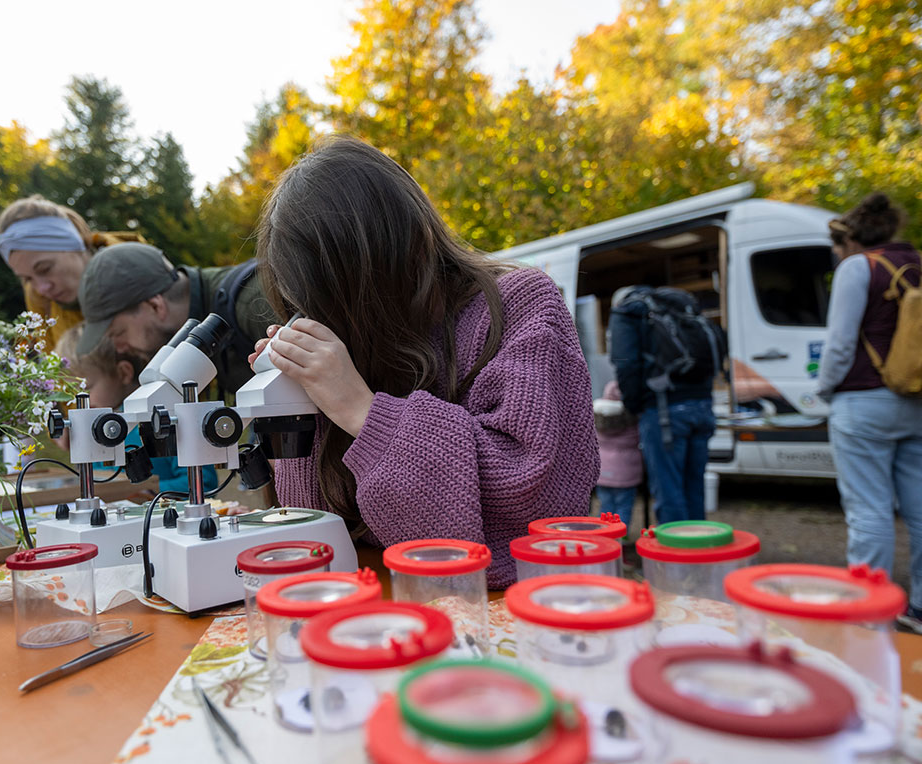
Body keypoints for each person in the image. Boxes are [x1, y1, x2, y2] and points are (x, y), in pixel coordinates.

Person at [248, 137, 598, 590]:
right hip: (385, 607)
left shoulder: (519, 306)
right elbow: (316, 539)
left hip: (516, 613)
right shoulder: (358, 345)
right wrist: (298, 409)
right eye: (301, 306)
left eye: (323, 303)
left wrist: (362, 410)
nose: (316, 320)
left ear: (374, 268)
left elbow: (532, 500)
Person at [816, 192, 922, 631]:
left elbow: (840, 344)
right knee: (919, 510)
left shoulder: (859, 268)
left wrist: (823, 390)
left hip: (862, 402)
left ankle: (869, 612)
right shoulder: (916, 263)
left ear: (852, 240)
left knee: (870, 510)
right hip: (915, 399)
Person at [75, 243, 278, 395]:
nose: (119, 348)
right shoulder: (210, 314)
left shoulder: (255, 303)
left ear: (156, 306)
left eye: (119, 333)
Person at [53, 324, 217, 495]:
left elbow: (205, 483)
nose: (79, 401)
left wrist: (144, 492)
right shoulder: (92, 428)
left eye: (87, 388)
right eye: (72, 394)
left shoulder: (165, 415)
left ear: (124, 373)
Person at [608, 286, 717, 524]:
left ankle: (676, 556)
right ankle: (700, 550)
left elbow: (625, 365)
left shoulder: (627, 313)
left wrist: (635, 405)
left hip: (664, 410)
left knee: (668, 488)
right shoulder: (677, 308)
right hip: (703, 405)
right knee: (693, 484)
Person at [0, 195, 142, 351]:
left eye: (45, 269)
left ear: (75, 245)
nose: (42, 288)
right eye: (27, 279)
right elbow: (54, 369)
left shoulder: (140, 268)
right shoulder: (40, 300)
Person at [594, 380, 642, 533]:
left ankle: (603, 534)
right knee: (624, 506)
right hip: (626, 472)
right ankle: (620, 537)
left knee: (605, 506)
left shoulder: (597, 416)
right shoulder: (632, 417)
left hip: (603, 471)